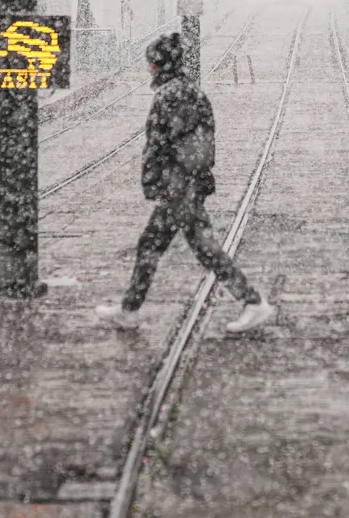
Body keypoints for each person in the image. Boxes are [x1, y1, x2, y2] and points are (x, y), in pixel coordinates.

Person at [96, 32, 274, 333]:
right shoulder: (182, 91)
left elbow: (175, 145)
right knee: (151, 245)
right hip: (177, 187)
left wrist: (172, 182)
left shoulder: (174, 95)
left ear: (159, 64)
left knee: (203, 249)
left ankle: (253, 302)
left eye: (151, 62)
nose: (148, 68)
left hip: (179, 188)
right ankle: (129, 309)